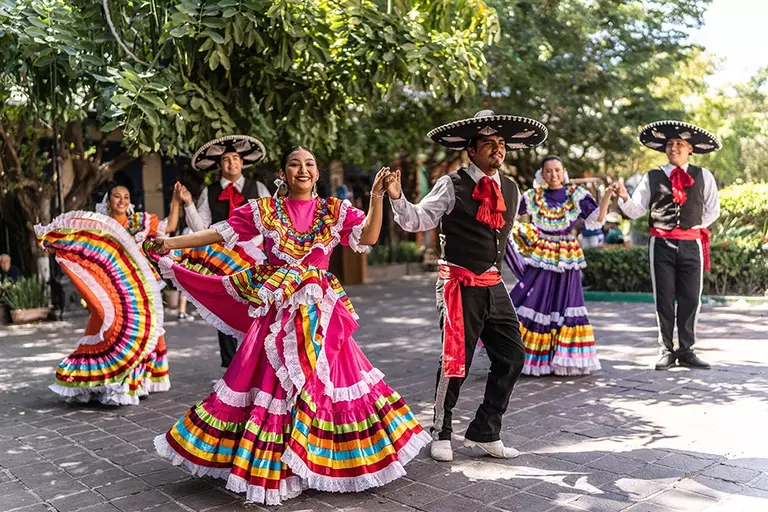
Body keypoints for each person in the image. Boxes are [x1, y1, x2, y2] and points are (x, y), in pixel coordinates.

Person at [147, 147, 430, 505]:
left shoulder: (333, 210)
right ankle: (280, 468)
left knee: (324, 383)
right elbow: (218, 234)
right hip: (277, 313)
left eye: (309, 164)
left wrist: (376, 196)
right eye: (295, 164)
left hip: (319, 314)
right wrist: (169, 243)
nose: (303, 169)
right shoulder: (265, 211)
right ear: (284, 172)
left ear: (316, 173)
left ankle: (316, 462)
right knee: (273, 385)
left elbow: (369, 236)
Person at [385, 110, 547, 462]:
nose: (497, 150)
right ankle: (440, 432)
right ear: (471, 151)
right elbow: (418, 219)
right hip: (458, 282)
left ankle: (485, 432)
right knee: (455, 361)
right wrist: (398, 197)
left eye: (501, 144)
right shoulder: (451, 183)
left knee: (513, 357)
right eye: (488, 144)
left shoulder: (511, 188)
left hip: (493, 282)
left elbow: (502, 237)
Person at [34, 184, 181, 405]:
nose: (122, 201)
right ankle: (98, 380)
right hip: (110, 288)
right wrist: (59, 245)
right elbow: (80, 243)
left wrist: (177, 200)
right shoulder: (99, 224)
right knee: (106, 325)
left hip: (140, 288)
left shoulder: (139, 221)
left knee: (143, 332)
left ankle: (132, 382)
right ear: (108, 200)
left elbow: (170, 226)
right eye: (117, 196)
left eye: (126, 196)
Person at [613, 121, 721, 370]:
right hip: (660, 244)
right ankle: (666, 350)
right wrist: (622, 197)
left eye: (679, 144)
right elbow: (636, 210)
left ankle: (687, 350)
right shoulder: (652, 176)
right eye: (670, 144)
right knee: (663, 298)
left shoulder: (703, 175)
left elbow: (713, 210)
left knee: (691, 298)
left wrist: (691, 226)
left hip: (691, 244)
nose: (674, 147)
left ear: (690, 149)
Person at [506, 156, 613, 376]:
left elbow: (597, 218)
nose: (553, 175)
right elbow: (507, 214)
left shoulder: (577, 195)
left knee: (566, 302)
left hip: (566, 256)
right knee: (536, 299)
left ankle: (561, 358)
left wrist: (609, 194)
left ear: (563, 171)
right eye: (548, 171)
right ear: (542, 174)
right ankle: (530, 358)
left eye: (556, 170)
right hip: (541, 255)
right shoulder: (532, 197)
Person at [181, 135, 271, 367]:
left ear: (242, 163)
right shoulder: (209, 192)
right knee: (226, 310)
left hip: (255, 258)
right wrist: (188, 203)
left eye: (235, 158)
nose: (231, 163)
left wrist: (256, 248)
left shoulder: (258, 188)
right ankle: (232, 367)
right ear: (219, 165)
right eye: (226, 160)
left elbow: (270, 222)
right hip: (223, 260)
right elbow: (200, 228)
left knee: (258, 308)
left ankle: (258, 362)